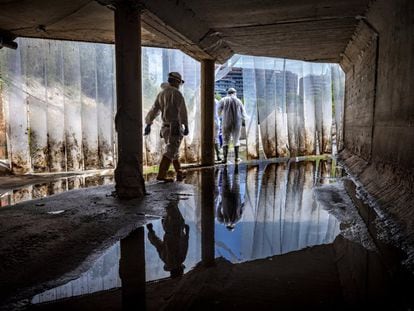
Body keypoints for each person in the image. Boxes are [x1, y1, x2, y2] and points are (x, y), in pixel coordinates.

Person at [144, 72, 188, 181]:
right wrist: (186, 125)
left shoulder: (161, 94)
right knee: (170, 151)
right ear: (177, 82)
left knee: (174, 150)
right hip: (175, 127)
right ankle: (161, 176)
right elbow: (183, 111)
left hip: (165, 127)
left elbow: (154, 110)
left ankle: (179, 172)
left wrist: (148, 123)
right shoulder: (177, 93)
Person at [146, 200, 189, 278]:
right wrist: (151, 231)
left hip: (177, 227)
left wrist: (187, 233)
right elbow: (157, 244)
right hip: (167, 227)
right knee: (169, 204)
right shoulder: (165, 259)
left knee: (171, 202)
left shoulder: (180, 259)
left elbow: (185, 245)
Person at [217, 88, 248, 164]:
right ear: (235, 93)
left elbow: (218, 111)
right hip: (237, 123)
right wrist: (247, 120)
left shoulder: (223, 100)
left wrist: (220, 116)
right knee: (236, 140)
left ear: (228, 93)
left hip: (226, 122)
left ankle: (225, 159)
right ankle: (237, 158)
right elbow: (244, 113)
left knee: (225, 140)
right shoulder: (238, 101)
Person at [216, 165, 245, 231]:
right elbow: (218, 211)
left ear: (233, 226)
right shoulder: (222, 221)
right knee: (225, 181)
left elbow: (242, 208)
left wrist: (244, 200)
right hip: (226, 199)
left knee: (236, 181)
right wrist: (221, 203)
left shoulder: (238, 220)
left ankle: (236, 165)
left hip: (236, 198)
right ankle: (225, 166)